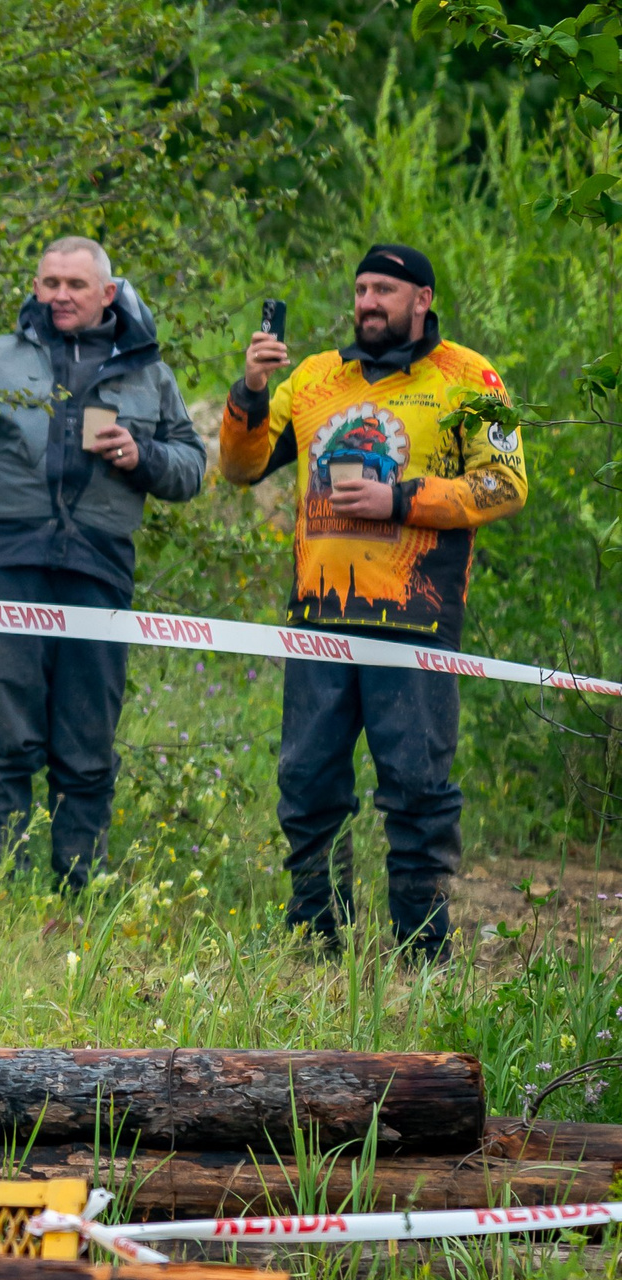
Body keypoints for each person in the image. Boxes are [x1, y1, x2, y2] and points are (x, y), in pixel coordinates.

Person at [220, 244, 527, 960]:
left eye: (383, 290)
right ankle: (315, 938)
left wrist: (403, 499)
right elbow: (239, 468)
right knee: (305, 783)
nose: (367, 302)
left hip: (415, 617)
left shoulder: (472, 377)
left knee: (418, 790)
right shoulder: (316, 377)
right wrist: (250, 393)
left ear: (421, 299)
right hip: (318, 618)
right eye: (361, 289)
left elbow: (506, 483)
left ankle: (422, 947)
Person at [0, 238, 205, 885]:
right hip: (8, 559)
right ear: (35, 288)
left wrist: (141, 455)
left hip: (98, 566)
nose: (60, 295)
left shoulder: (147, 372)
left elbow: (192, 469)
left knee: (88, 742)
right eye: (49, 283)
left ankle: (81, 894)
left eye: (74, 284)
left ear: (106, 293)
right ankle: (0, 890)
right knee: (7, 730)